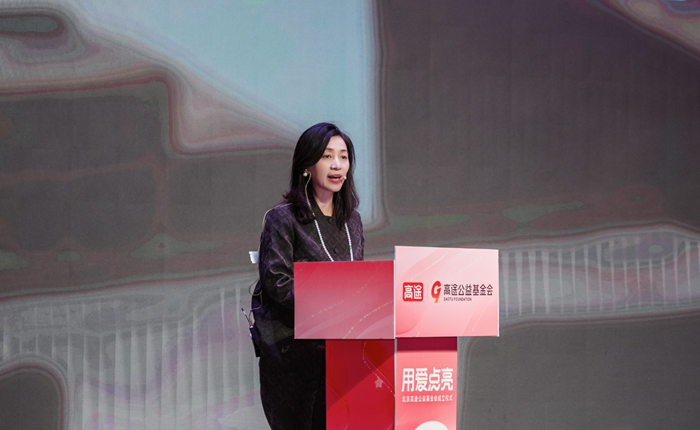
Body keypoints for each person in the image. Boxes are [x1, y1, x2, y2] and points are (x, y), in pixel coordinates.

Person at [251, 122, 364, 430]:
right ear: (306, 166)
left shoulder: (352, 221)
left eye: (344, 156)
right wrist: (330, 305)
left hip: (341, 356)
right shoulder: (283, 218)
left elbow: (358, 281)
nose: (337, 165)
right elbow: (277, 282)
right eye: (327, 156)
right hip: (292, 357)